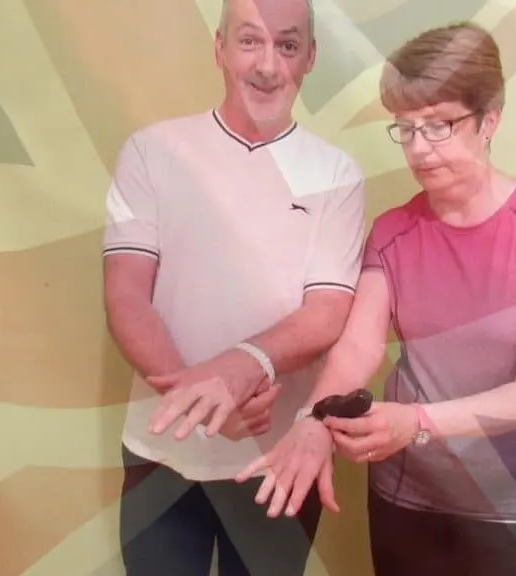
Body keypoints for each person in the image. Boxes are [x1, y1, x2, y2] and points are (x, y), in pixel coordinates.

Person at [236, 21, 516, 576]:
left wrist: (418, 421)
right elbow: (358, 349)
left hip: (511, 507)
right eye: (405, 129)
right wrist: (312, 417)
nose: (419, 149)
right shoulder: (393, 231)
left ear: (489, 120)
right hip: (406, 495)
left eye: (440, 126)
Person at [101, 0, 365, 574]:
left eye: (288, 45)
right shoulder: (151, 151)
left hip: (276, 460)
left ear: (310, 58)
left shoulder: (336, 174)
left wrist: (240, 370)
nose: (267, 65)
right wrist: (196, 401)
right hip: (160, 451)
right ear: (219, 48)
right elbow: (126, 293)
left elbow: (327, 311)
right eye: (249, 41)